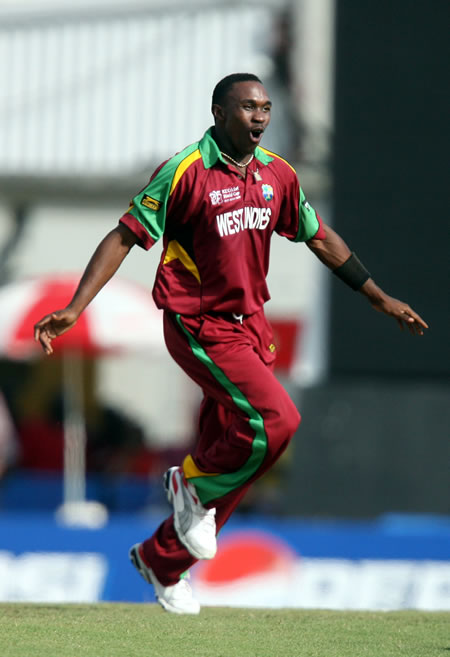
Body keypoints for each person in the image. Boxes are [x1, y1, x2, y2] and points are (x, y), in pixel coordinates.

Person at [34, 73, 428, 614]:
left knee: (243, 453)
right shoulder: (185, 171)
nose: (261, 116)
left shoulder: (277, 174)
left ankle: (162, 561)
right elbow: (125, 235)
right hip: (198, 325)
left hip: (252, 326)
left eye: (265, 107)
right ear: (219, 112)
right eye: (248, 107)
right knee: (276, 423)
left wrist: (376, 294)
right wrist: (77, 307)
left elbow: (316, 234)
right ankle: (189, 483)